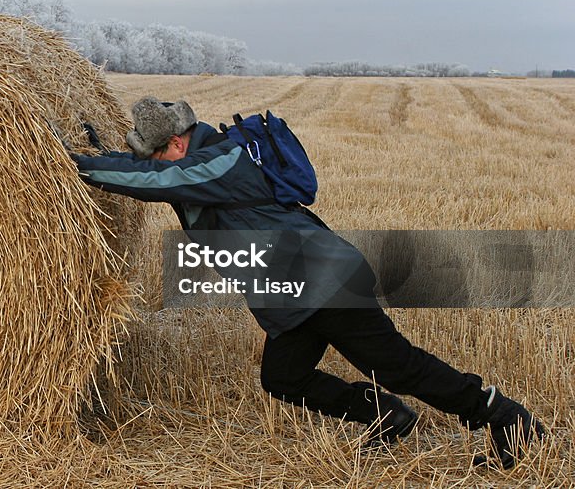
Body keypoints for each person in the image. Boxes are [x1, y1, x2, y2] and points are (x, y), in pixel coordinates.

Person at [69, 96, 545, 469]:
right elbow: (148, 173)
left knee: (398, 366)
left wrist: (74, 164)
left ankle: (507, 417)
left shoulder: (221, 161)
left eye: (156, 153)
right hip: (296, 292)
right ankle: (386, 415)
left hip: (325, 281)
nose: (156, 163)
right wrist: (96, 153)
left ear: (175, 144)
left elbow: (151, 180)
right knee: (284, 378)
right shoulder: (201, 164)